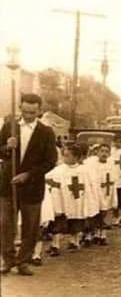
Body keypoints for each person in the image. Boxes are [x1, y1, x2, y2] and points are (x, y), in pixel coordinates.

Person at [0, 93, 57, 276]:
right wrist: (7, 147)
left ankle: (23, 261)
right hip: (8, 185)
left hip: (32, 187)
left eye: (32, 112)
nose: (28, 116)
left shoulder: (46, 132)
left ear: (39, 111)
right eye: (25, 111)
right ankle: (7, 260)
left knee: (30, 226)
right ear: (20, 108)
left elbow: (50, 161)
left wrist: (28, 175)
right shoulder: (10, 127)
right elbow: (0, 152)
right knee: (5, 225)